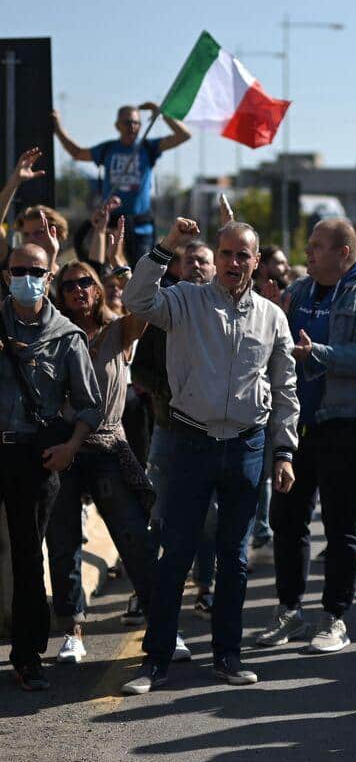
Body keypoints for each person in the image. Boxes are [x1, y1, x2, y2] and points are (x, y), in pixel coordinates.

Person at [121, 218, 299, 695]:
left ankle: (227, 656)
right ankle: (155, 661)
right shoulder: (184, 300)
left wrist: (283, 451)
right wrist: (165, 249)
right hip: (190, 443)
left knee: (234, 559)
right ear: (214, 258)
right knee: (176, 553)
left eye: (244, 255)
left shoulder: (272, 316)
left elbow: (285, 390)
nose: (233, 263)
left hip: (246, 445)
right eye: (226, 254)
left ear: (256, 261)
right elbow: (135, 301)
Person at [254, 218, 356, 654]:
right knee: (288, 521)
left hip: (345, 426)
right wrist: (272, 309)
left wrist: (320, 354)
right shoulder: (299, 290)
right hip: (297, 426)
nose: (309, 253)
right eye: (309, 245)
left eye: (318, 246)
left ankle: (334, 617)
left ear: (345, 253)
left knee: (341, 526)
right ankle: (289, 612)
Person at [45, 261, 159, 663]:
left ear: (97, 290)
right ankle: (72, 631)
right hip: (63, 451)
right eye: (69, 284)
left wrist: (125, 271)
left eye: (86, 283)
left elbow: (144, 307)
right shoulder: (52, 335)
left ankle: (161, 628)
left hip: (108, 448)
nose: (78, 289)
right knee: (62, 545)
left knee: (133, 536)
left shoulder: (117, 332)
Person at [1, 243, 102, 690]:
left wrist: (70, 449)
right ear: (6, 276)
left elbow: (89, 406)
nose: (26, 277)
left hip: (35, 458)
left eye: (35, 271)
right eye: (18, 270)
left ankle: (27, 658)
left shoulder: (66, 336)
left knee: (27, 559)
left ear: (48, 275)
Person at [133, 240, 223, 618]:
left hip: (214, 435)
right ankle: (148, 589)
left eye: (203, 260)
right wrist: (170, 391)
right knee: (158, 510)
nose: (197, 266)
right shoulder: (166, 313)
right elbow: (139, 371)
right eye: (189, 261)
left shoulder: (227, 313)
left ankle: (206, 587)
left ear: (215, 267)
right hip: (169, 430)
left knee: (208, 516)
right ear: (179, 269)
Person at [52, 104, 191, 262]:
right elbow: (77, 153)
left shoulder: (147, 147)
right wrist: (57, 128)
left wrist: (162, 113)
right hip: (110, 224)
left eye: (136, 122)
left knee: (141, 270)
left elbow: (184, 135)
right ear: (117, 125)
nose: (132, 126)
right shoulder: (108, 149)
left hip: (140, 227)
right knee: (102, 268)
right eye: (127, 122)